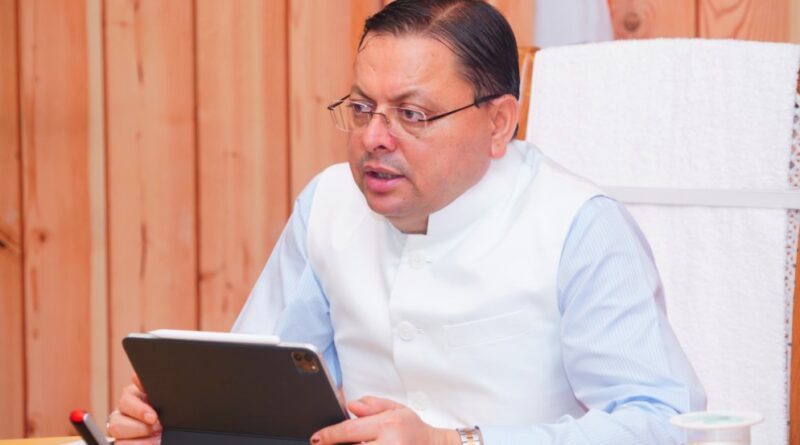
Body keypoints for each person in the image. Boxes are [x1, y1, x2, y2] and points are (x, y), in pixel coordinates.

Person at [108, 0, 706, 444]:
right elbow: (260, 392)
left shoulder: (579, 225)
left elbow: (665, 423)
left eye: (412, 114)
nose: (374, 137)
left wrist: (456, 443)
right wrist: (182, 427)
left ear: (499, 123)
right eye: (362, 106)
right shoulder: (327, 203)